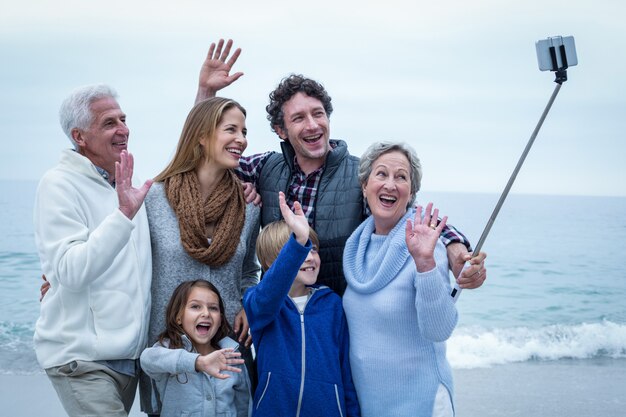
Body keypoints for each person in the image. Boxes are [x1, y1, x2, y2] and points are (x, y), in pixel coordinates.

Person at [195, 39, 486, 297]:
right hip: (277, 321)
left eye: (318, 114)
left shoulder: (362, 175)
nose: (312, 125)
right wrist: (206, 92)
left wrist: (456, 250)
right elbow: (201, 155)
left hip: (337, 324)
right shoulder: (265, 168)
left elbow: (416, 219)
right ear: (280, 130)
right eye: (298, 118)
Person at [33, 84, 153, 416]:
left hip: (129, 358)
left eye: (123, 119)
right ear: (80, 136)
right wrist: (123, 216)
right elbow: (70, 271)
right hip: (81, 359)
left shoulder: (127, 182)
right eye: (109, 123)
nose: (123, 129)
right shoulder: (58, 184)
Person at [343, 141, 485, 416]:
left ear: (411, 193)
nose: (390, 184)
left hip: (422, 402)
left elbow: (439, 329)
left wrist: (425, 263)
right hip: (371, 404)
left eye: (401, 177)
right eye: (381, 174)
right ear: (364, 185)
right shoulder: (356, 245)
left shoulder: (428, 246)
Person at [140, 96, 261, 415]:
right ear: (202, 136)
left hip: (228, 348)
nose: (242, 139)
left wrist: (249, 303)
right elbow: (126, 264)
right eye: (231, 129)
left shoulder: (248, 208)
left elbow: (250, 271)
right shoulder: (155, 199)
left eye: (244, 131)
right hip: (168, 350)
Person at [243, 192, 360, 417]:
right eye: (300, 249)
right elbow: (269, 294)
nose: (309, 256)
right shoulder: (259, 303)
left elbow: (345, 371)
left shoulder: (332, 304)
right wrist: (298, 244)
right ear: (270, 263)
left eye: (312, 248)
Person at [140, 280, 252, 417]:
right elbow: (147, 359)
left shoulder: (231, 354)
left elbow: (243, 405)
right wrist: (197, 362)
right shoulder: (169, 350)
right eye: (195, 306)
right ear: (178, 317)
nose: (206, 313)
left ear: (221, 319)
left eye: (213, 308)